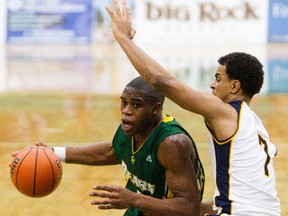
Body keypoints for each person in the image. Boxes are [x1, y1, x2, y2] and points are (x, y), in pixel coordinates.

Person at [105, 0, 281, 215]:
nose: (212, 85)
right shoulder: (255, 125)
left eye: (218, 78)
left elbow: (161, 81)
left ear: (235, 86)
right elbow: (235, 201)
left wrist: (123, 39)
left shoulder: (226, 112)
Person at [12, 76, 205, 216]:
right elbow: (113, 151)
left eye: (136, 105)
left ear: (155, 109)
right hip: (142, 207)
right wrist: (53, 153)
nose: (126, 111)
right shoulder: (131, 126)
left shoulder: (171, 144)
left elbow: (189, 208)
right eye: (123, 102)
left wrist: (132, 199)